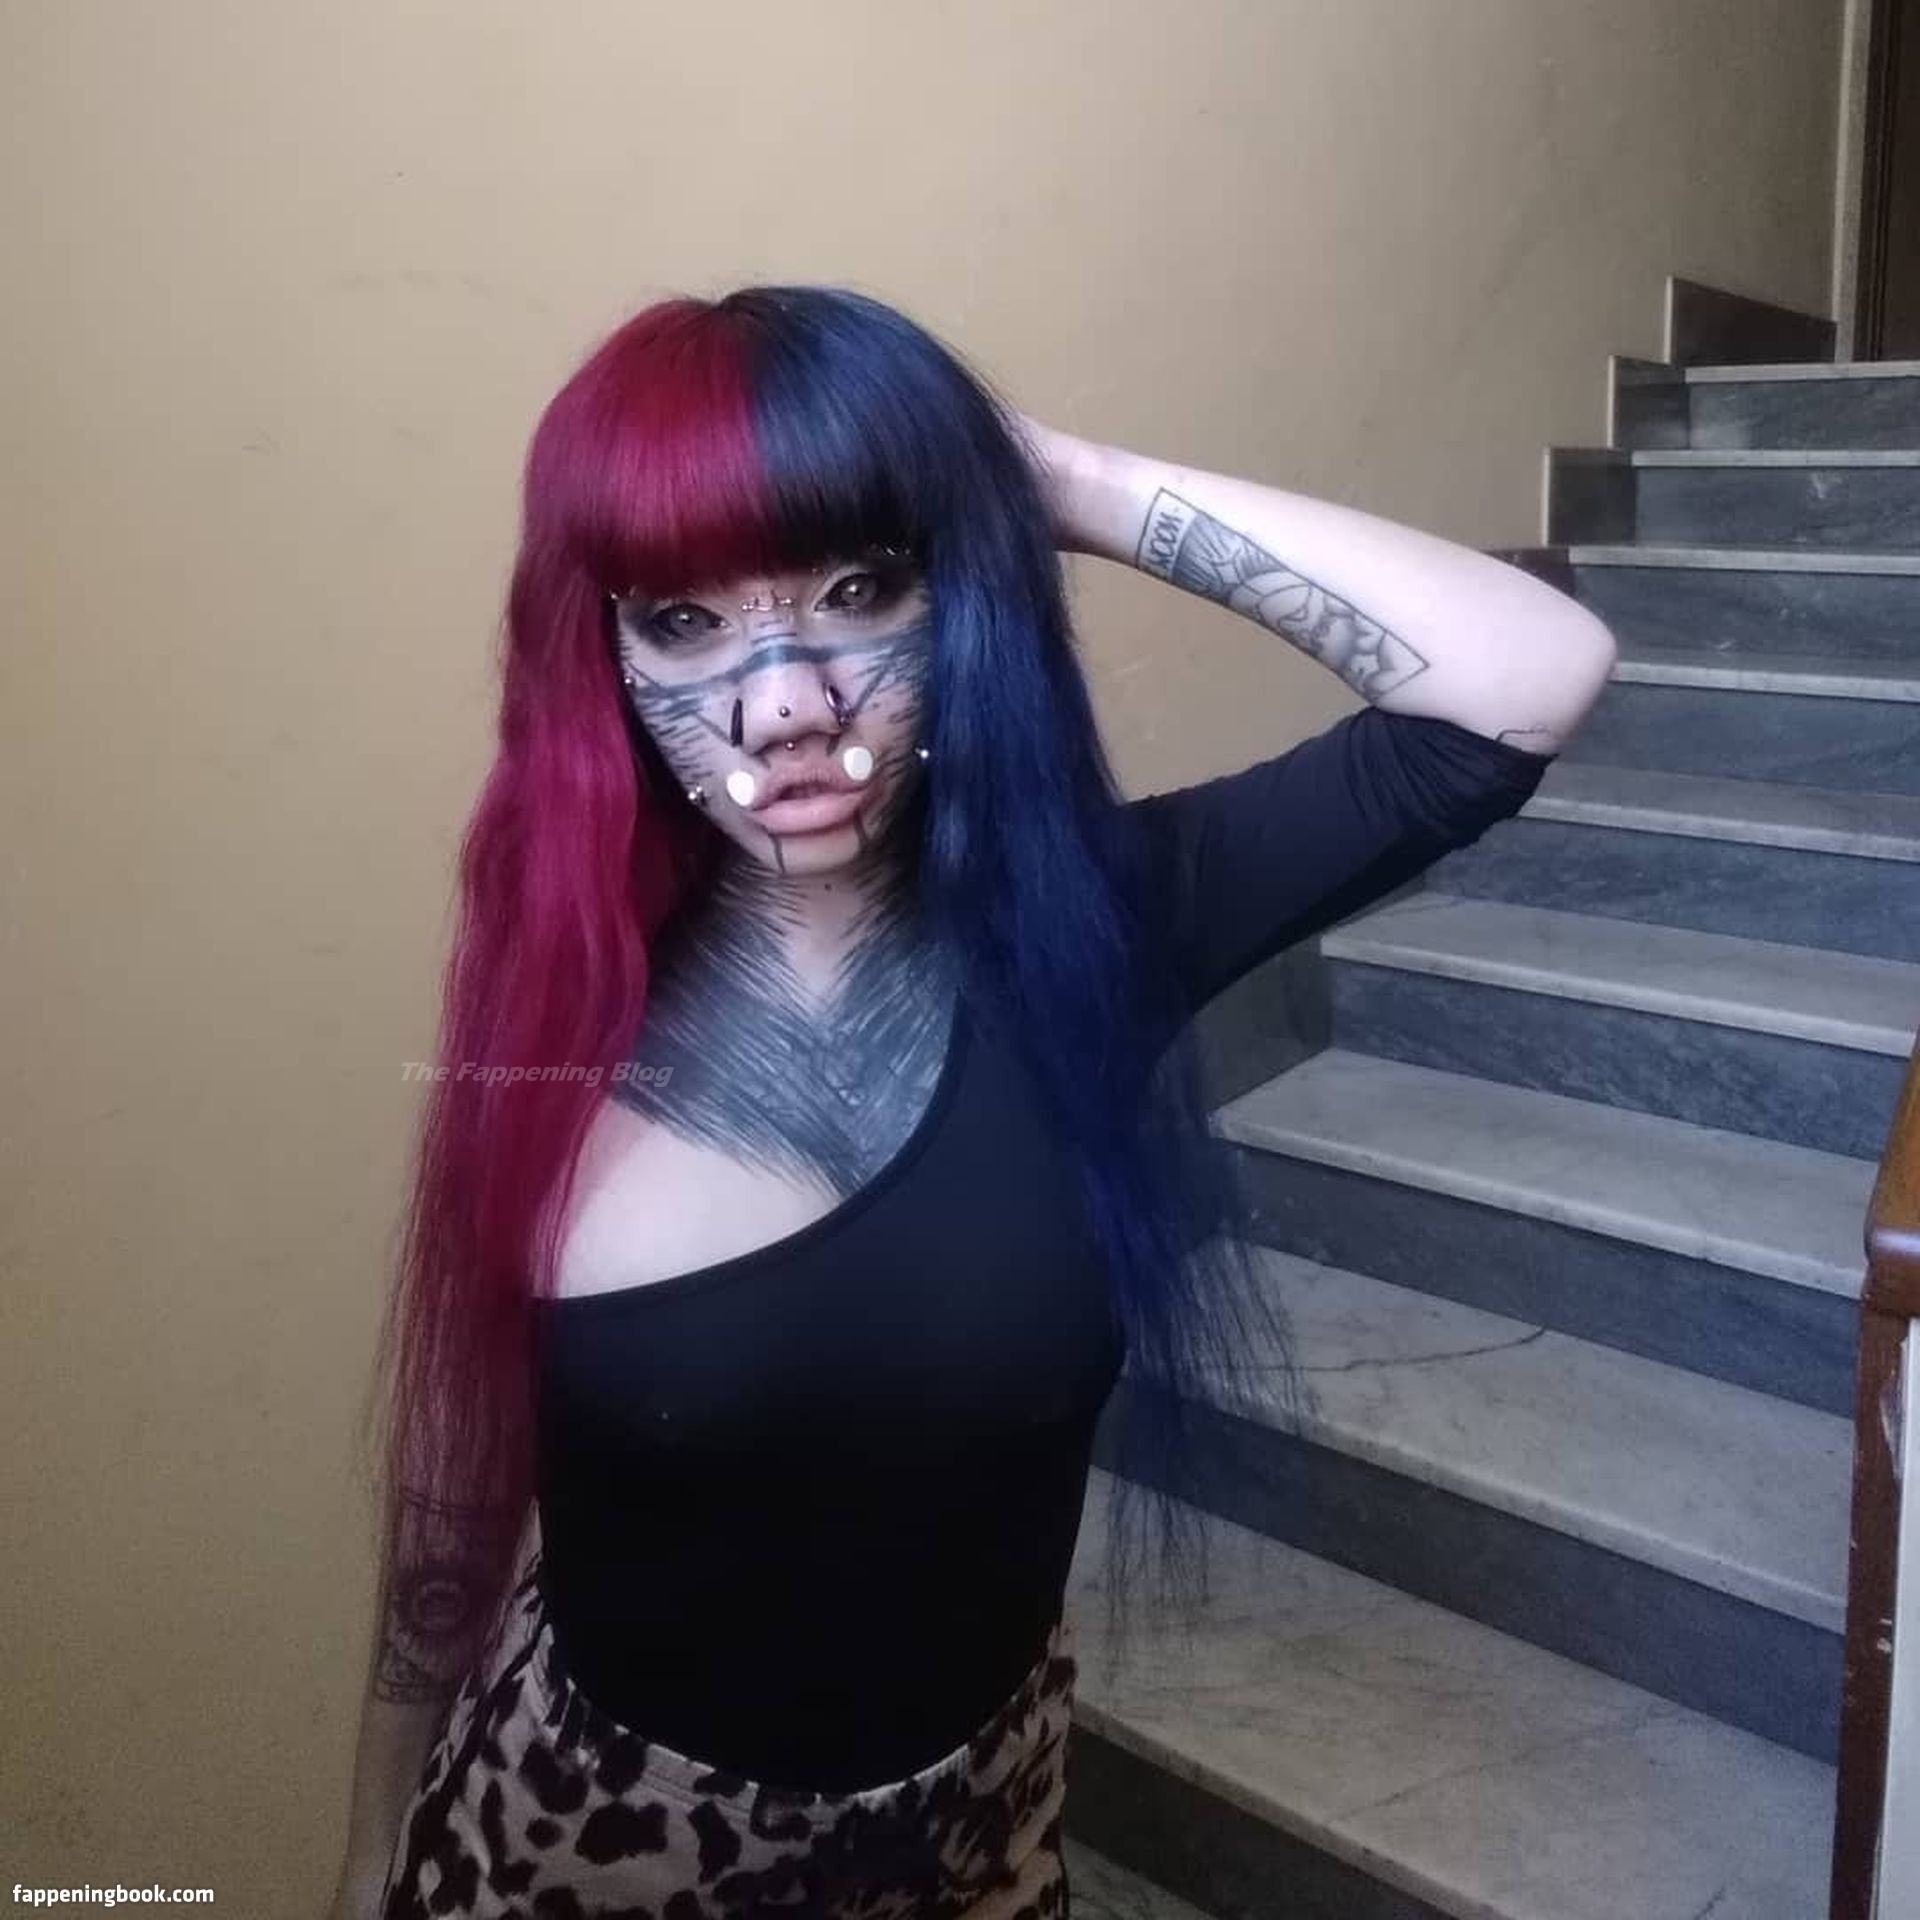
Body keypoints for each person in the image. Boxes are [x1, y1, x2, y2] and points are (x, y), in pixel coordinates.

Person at [326, 284, 1615, 1919]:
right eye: (686, 622)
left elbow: (1528, 676)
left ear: (961, 597)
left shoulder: (1101, 930)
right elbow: (456, 1483)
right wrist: (372, 1841)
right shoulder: (560, 1018)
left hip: (972, 1846)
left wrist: (1044, 482)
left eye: (861, 588)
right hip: (582, 1845)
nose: (786, 704)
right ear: (606, 659)